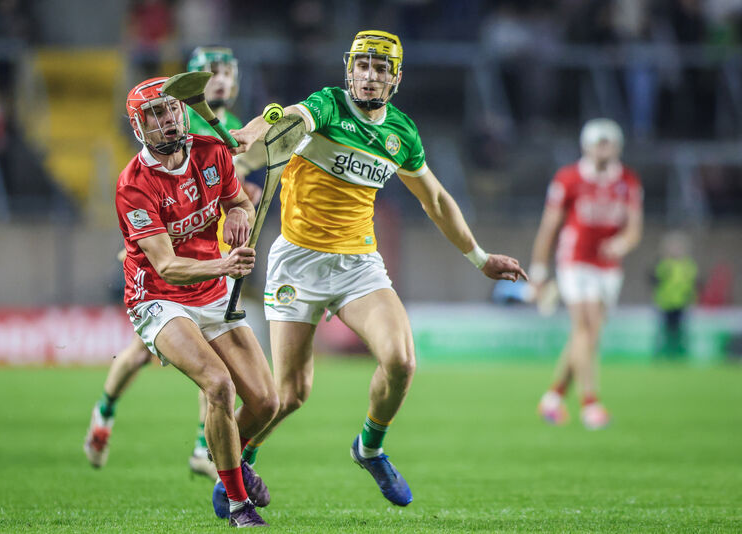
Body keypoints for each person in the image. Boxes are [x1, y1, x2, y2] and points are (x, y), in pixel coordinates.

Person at [226, 30, 527, 509]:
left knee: (402, 361)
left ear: (396, 79)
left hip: (358, 265)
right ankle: (237, 464)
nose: (369, 77)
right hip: (298, 263)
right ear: (350, 70)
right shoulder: (327, 104)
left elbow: (436, 200)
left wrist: (480, 257)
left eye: (380, 69)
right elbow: (286, 120)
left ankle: (369, 448)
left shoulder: (401, 133)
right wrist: (249, 139)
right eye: (362, 66)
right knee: (288, 396)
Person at [84, 47, 265, 482]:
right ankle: (105, 411)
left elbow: (239, 183)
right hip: (162, 253)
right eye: (209, 73)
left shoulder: (229, 127)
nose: (219, 80)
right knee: (139, 355)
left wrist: (243, 202)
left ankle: (207, 448)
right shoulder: (176, 119)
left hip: (207, 253)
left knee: (217, 372)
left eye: (226, 71)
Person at [530, 118, 643, 430]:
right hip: (575, 260)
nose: (602, 149)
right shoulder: (569, 178)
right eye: (598, 142)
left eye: (608, 142)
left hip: (608, 269)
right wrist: (538, 271)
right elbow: (549, 226)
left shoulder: (628, 182)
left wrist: (621, 244)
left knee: (587, 335)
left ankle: (552, 398)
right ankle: (590, 404)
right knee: (587, 326)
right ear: (586, 146)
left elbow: (634, 229)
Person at [652, 232, 698, 359]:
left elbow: (691, 284)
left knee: (681, 332)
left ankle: (680, 355)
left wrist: (690, 298)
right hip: (665, 303)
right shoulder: (664, 264)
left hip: (682, 304)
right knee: (664, 332)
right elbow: (655, 279)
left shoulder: (688, 265)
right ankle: (663, 355)